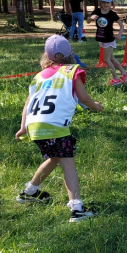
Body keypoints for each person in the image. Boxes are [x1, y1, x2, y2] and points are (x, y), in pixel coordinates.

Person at [14, 35, 104, 222]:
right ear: (70, 53)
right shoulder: (72, 71)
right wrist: (96, 105)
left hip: (35, 126)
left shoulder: (38, 77)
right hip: (55, 126)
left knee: (54, 158)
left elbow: (28, 103)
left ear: (46, 56)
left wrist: (23, 128)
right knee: (67, 163)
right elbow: (84, 98)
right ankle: (77, 208)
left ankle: (30, 192)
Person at [90, 0, 127, 86]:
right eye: (103, 2)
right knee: (111, 58)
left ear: (111, 3)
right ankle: (125, 74)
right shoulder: (97, 11)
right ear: (100, 3)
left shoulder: (112, 14)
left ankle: (116, 78)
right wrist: (91, 17)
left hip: (109, 39)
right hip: (102, 39)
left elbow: (121, 25)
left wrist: (119, 34)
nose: (105, 4)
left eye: (108, 3)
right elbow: (88, 20)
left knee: (106, 60)